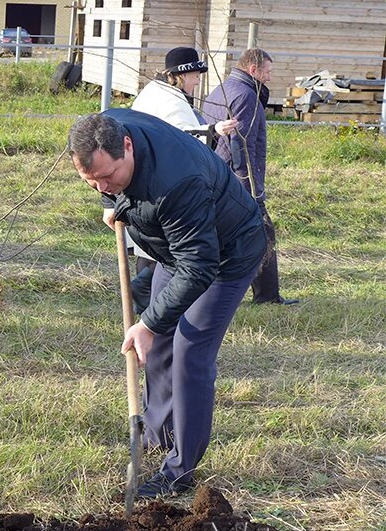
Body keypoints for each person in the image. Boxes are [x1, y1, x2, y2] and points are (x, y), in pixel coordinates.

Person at [68, 110, 266, 498]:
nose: (100, 186)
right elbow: (115, 186)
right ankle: (158, 438)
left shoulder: (177, 182)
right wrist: (115, 199)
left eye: (108, 177)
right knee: (157, 346)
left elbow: (199, 266)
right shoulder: (106, 127)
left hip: (225, 255)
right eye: (91, 180)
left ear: (127, 146)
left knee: (189, 351)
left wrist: (148, 323)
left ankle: (180, 469)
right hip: (177, 253)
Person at [126, 47, 239, 313]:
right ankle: (147, 295)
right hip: (164, 185)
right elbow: (181, 141)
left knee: (152, 244)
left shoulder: (155, 92)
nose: (198, 80)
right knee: (168, 247)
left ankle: (148, 301)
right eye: (196, 74)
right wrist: (214, 131)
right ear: (181, 74)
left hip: (148, 180)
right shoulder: (171, 101)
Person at [203, 48, 297, 305]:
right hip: (240, 182)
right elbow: (241, 145)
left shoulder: (222, 90)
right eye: (267, 71)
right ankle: (267, 296)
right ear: (253, 69)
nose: (269, 77)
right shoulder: (246, 96)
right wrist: (251, 189)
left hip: (217, 176)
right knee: (262, 235)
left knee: (225, 237)